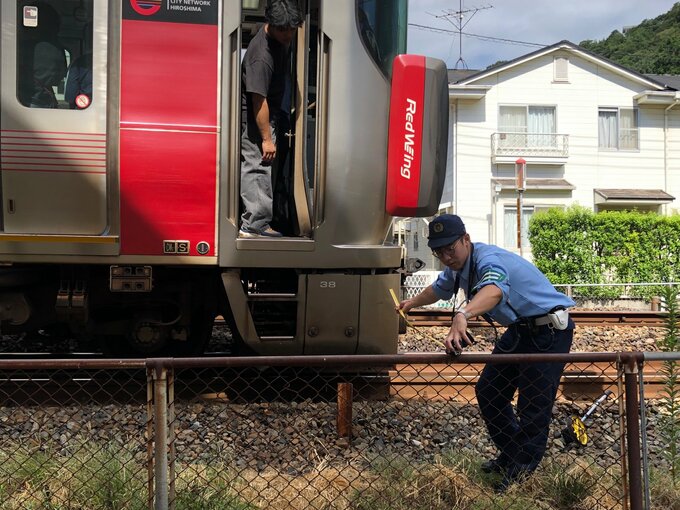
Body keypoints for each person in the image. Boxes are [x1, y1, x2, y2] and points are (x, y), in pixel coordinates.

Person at [398, 214, 575, 492]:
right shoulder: (458, 265)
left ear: (466, 240)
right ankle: (513, 454)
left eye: (450, 249)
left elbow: (494, 290)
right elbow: (439, 289)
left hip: (548, 331)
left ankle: (520, 476)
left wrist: (463, 314)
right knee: (490, 391)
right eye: (438, 252)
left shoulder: (488, 260)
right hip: (519, 330)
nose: (445, 257)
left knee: (532, 405)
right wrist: (411, 303)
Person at [239, 0, 303, 238]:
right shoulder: (261, 56)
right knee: (258, 165)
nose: (288, 35)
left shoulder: (279, 40)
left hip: (274, 112)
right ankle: (253, 226)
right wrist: (266, 138)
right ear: (271, 25)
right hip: (257, 118)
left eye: (292, 30)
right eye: (283, 30)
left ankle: (262, 221)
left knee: (265, 167)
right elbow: (259, 101)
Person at [17, 2, 67, 108]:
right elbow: (58, 78)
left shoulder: (19, 47)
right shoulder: (57, 49)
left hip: (22, 98)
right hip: (44, 101)